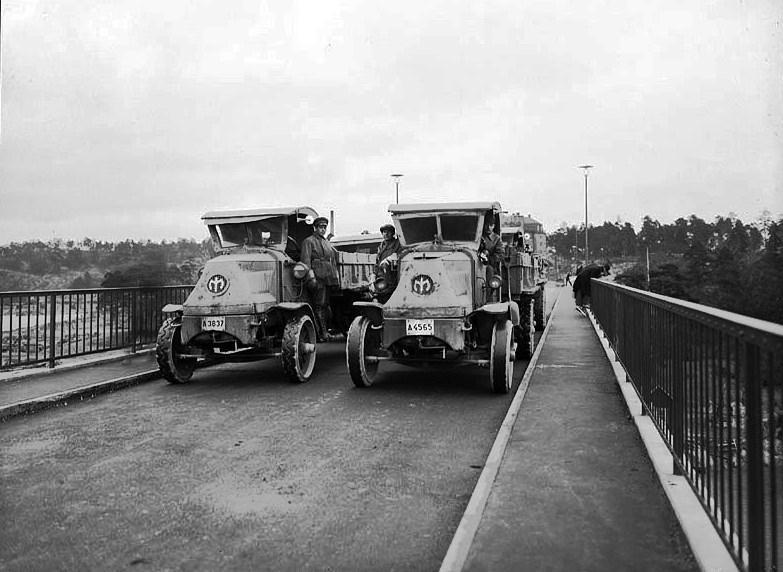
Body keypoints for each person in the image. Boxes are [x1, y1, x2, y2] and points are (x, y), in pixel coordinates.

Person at [300, 217, 339, 341]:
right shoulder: (308, 241)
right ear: (315, 228)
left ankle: (325, 332)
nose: (323, 229)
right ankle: (321, 334)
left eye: (324, 227)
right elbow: (305, 262)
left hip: (327, 278)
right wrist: (311, 278)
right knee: (319, 305)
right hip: (317, 278)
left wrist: (335, 278)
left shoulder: (326, 242)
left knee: (325, 305)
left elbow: (332, 261)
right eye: (320, 227)